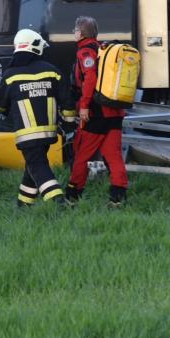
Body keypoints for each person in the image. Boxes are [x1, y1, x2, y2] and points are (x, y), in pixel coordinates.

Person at [0, 28, 75, 208]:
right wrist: (69, 127)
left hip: (27, 134)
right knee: (34, 166)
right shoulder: (52, 72)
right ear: (35, 48)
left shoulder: (10, 75)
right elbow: (68, 103)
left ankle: (59, 202)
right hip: (48, 133)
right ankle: (23, 206)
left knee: (38, 167)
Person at [64, 16, 128, 207]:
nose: (74, 32)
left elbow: (90, 78)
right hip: (115, 112)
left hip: (96, 114)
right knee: (113, 155)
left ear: (81, 32)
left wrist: (83, 105)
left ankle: (72, 196)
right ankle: (118, 198)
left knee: (81, 154)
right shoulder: (103, 50)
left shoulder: (85, 52)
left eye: (75, 29)